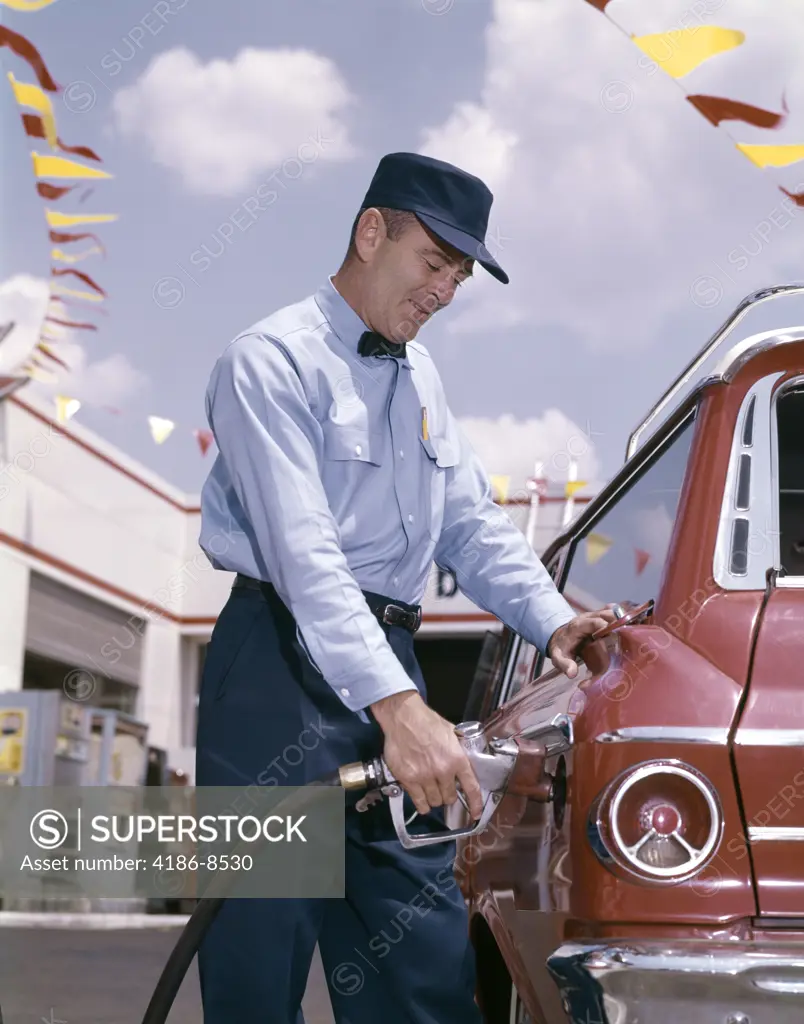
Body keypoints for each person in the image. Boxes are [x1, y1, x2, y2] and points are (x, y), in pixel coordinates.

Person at [195, 151, 615, 1023]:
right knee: (261, 951)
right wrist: (399, 710)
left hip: (388, 656)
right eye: (435, 263)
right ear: (370, 231)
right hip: (275, 668)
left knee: (417, 945)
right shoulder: (268, 362)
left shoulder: (420, 376)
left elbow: (469, 522)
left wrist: (554, 623)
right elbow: (305, 556)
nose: (446, 291)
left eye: (459, 276)